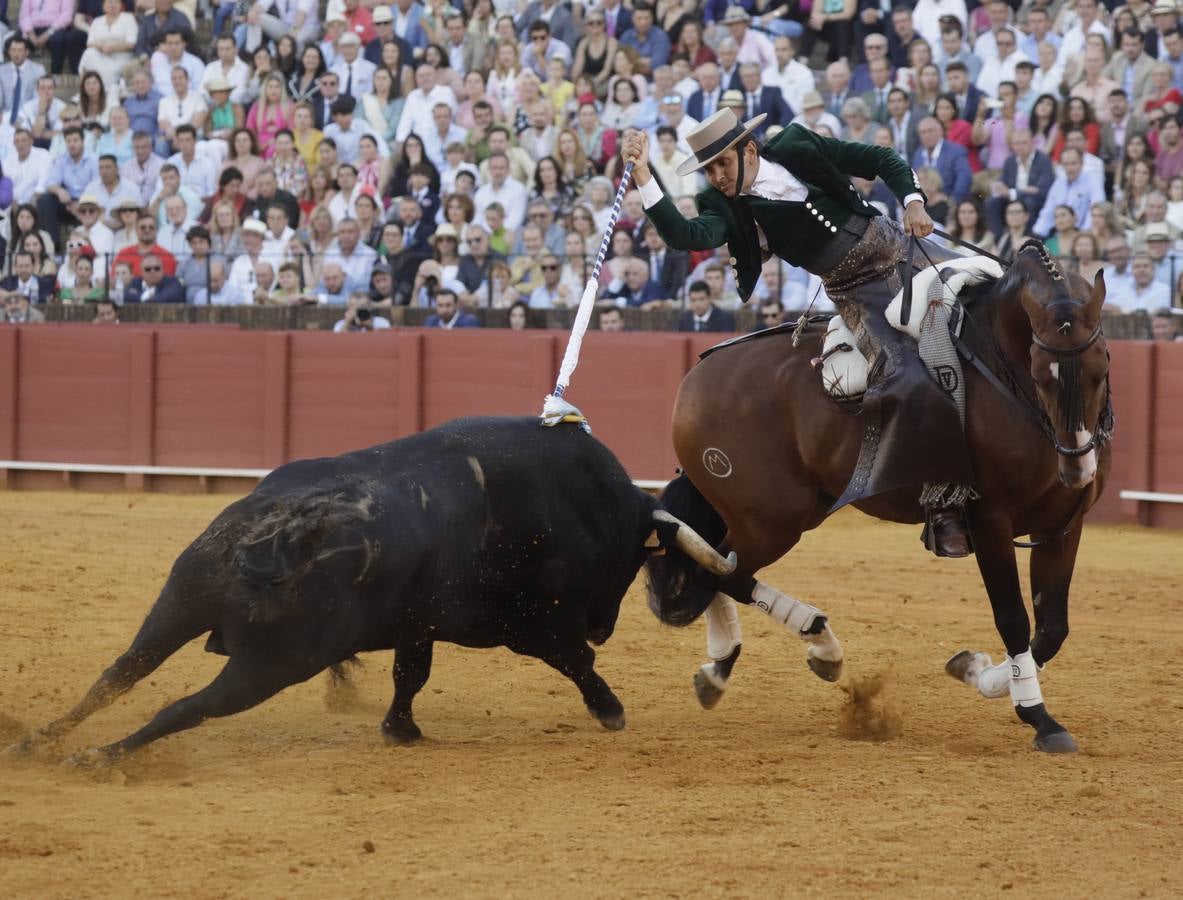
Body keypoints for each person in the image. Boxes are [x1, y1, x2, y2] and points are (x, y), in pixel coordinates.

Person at [623, 109, 975, 556]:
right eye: (708, 170)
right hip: (861, 297)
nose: (716, 177)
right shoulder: (724, 207)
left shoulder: (797, 145)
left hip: (905, 249)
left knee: (993, 308)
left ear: (748, 150)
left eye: (722, 164)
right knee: (907, 378)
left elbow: (881, 159)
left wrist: (913, 202)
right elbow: (686, 235)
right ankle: (944, 506)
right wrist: (643, 176)